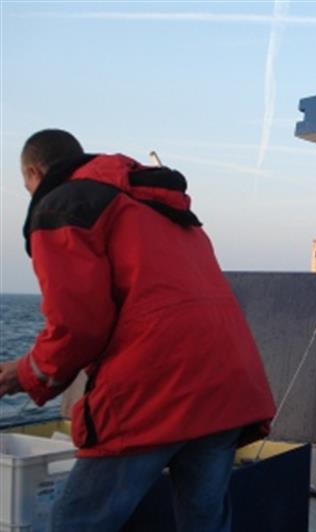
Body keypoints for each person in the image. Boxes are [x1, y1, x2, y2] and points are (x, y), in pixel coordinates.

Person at [0, 129, 276, 532]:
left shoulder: (64, 206)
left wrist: (22, 374)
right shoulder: (156, 201)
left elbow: (77, 326)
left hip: (157, 384)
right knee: (204, 521)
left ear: (33, 173)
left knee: (77, 522)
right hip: (228, 380)